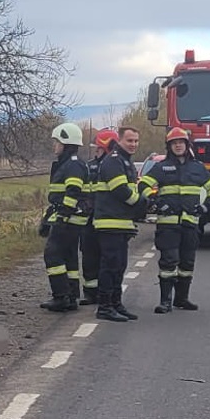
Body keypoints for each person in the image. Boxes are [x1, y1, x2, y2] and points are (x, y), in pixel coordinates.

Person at [138, 127, 210, 314]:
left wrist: (206, 206)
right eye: (174, 143)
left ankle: (182, 299)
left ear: (187, 144)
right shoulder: (161, 167)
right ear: (169, 146)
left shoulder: (198, 167)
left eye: (181, 142)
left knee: (187, 263)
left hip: (190, 224)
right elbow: (142, 184)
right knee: (169, 261)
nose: (178, 146)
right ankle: (165, 301)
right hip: (168, 225)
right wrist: (155, 201)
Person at [91, 126, 146, 322]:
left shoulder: (125, 162)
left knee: (119, 265)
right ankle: (105, 307)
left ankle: (116, 303)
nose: (133, 145)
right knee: (110, 265)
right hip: (110, 222)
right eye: (129, 141)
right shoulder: (114, 161)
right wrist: (140, 203)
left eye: (136, 141)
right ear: (119, 141)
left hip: (121, 222)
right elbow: (120, 190)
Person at [40, 122, 90, 312]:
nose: (54, 146)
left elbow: (73, 191)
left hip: (69, 219)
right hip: (70, 219)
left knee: (52, 254)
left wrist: (62, 217)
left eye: (57, 142)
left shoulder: (72, 165)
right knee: (68, 257)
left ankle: (60, 296)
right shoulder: (71, 163)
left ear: (66, 143)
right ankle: (70, 296)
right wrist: (48, 218)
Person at [78, 127, 118, 307]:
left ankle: (105, 293)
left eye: (98, 147)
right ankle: (90, 293)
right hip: (89, 220)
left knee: (107, 258)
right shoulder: (88, 166)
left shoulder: (117, 167)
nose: (96, 151)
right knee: (88, 256)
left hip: (108, 219)